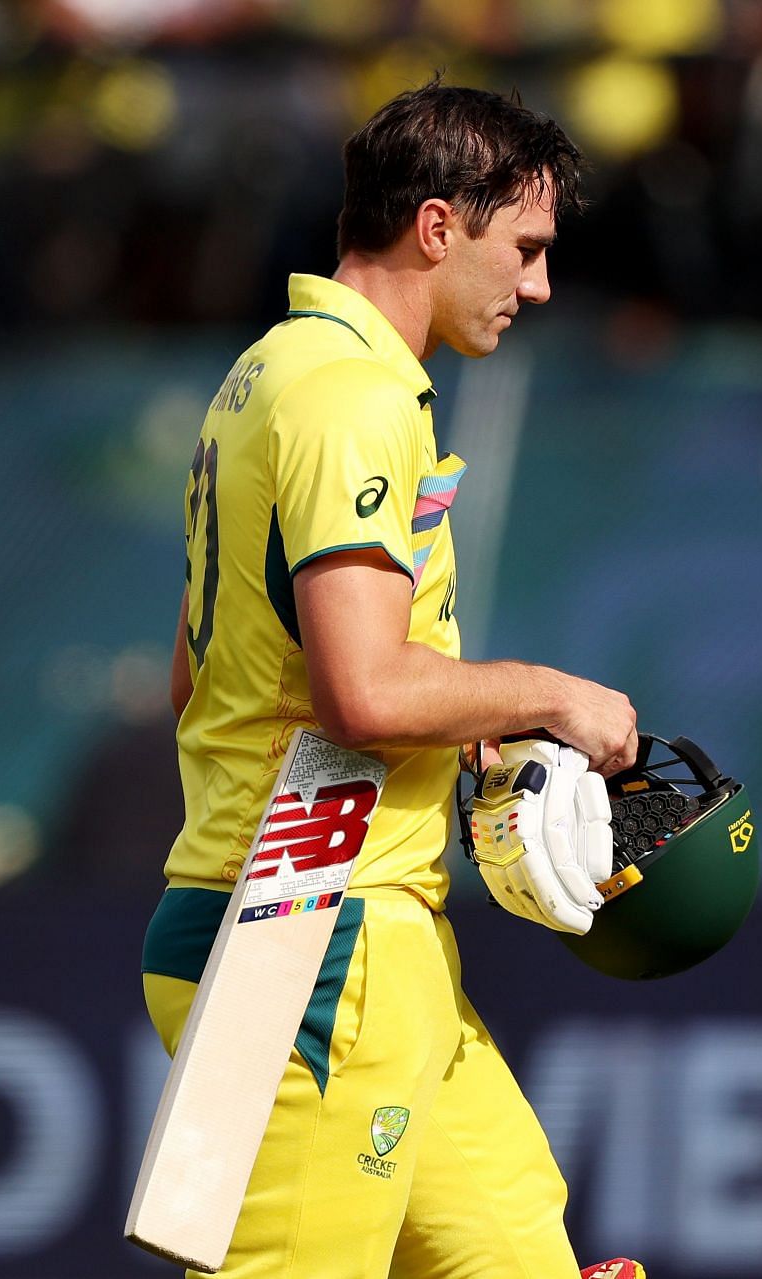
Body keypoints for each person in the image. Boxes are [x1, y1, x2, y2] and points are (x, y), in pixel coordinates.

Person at [143, 80, 645, 1278]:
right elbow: (360, 691)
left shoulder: (267, 376)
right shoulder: (351, 396)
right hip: (305, 929)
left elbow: (197, 675)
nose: (538, 285)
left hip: (340, 925)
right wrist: (545, 696)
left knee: (521, 1255)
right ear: (436, 227)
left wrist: (457, 729)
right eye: (523, 249)